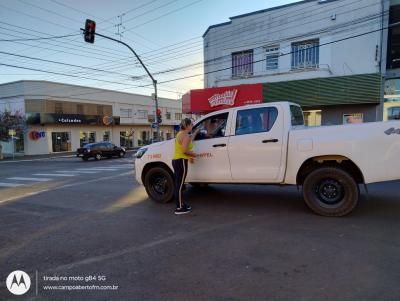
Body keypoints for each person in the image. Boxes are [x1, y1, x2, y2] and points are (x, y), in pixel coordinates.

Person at [172, 118, 200, 215]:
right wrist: (193, 154)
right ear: (187, 126)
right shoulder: (185, 136)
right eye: (191, 125)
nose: (192, 126)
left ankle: (181, 204)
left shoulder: (181, 134)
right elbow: (184, 150)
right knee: (179, 186)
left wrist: (195, 132)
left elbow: (189, 140)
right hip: (181, 161)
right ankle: (179, 208)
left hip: (177, 161)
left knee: (179, 184)